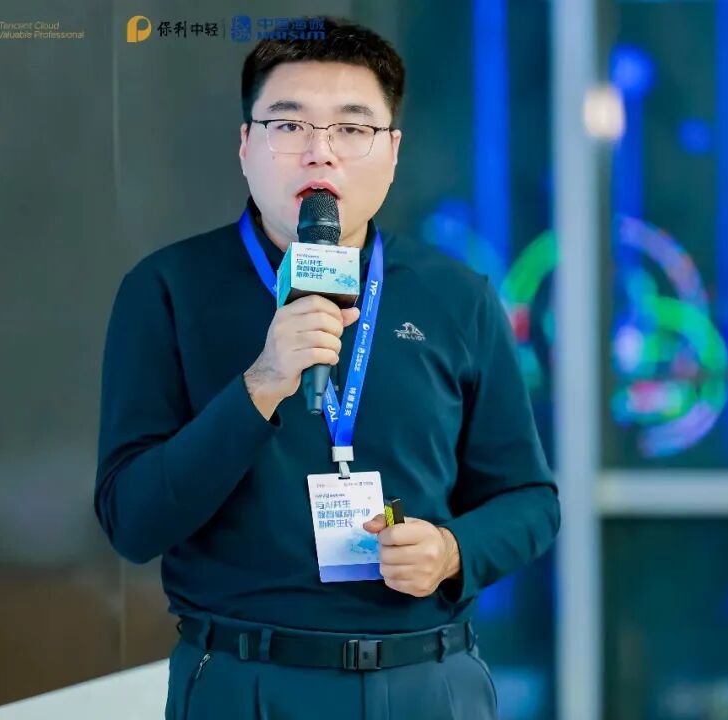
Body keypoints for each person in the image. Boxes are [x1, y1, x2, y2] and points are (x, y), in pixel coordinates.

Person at [95, 16, 559, 720]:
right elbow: (132, 522)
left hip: (428, 679)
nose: (321, 152)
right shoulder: (167, 290)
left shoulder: (457, 297)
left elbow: (530, 500)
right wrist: (263, 383)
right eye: (289, 125)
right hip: (245, 681)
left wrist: (452, 549)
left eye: (352, 127)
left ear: (392, 151)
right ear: (246, 146)